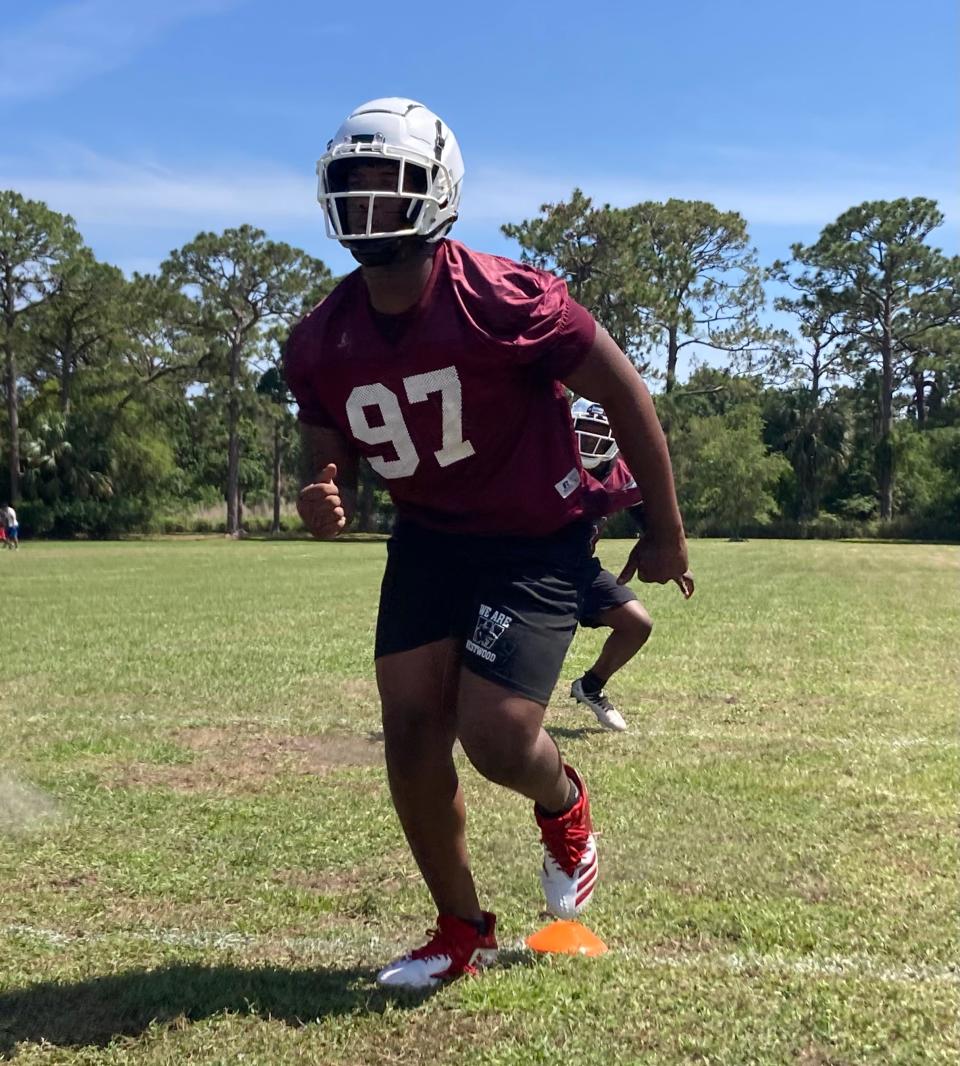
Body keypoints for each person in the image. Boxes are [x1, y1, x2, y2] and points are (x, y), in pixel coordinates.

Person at [284, 98, 688, 989]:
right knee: (410, 729)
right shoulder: (320, 337)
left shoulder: (506, 300)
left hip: (532, 538)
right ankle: (459, 928)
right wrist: (324, 486)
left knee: (499, 740)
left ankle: (565, 802)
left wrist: (665, 527)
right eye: (351, 185)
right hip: (428, 537)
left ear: (436, 193)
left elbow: (627, 397)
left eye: (388, 184)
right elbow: (329, 440)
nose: (367, 203)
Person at [569, 400, 694, 732]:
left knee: (637, 624)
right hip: (531, 568)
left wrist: (672, 557)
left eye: (599, 434)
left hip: (580, 569)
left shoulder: (620, 475)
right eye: (584, 431)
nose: (589, 442)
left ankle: (591, 687)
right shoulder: (547, 459)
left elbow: (650, 519)